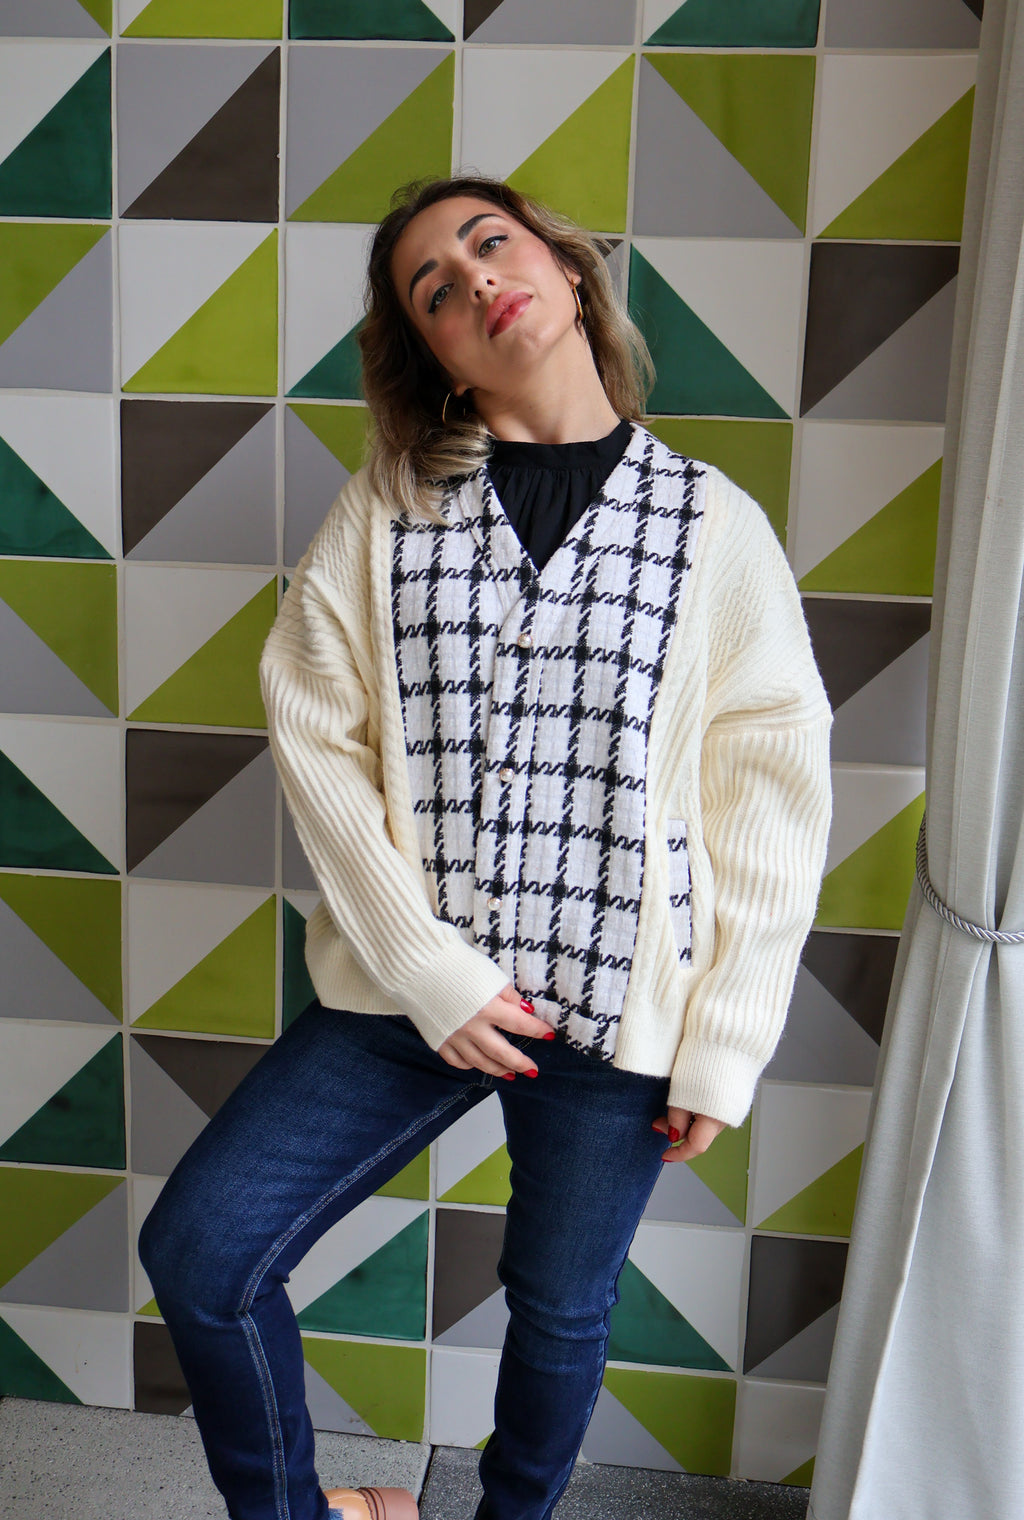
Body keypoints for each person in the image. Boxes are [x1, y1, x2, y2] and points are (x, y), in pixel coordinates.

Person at [139, 175, 833, 1520]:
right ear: (433, 351)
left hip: (613, 1005)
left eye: (488, 244)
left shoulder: (714, 530)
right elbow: (315, 733)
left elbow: (771, 798)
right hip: (407, 994)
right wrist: (429, 970)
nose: (469, 282)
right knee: (205, 1251)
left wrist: (725, 1039)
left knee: (561, 1312)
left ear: (569, 274)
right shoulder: (385, 510)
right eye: (432, 290)